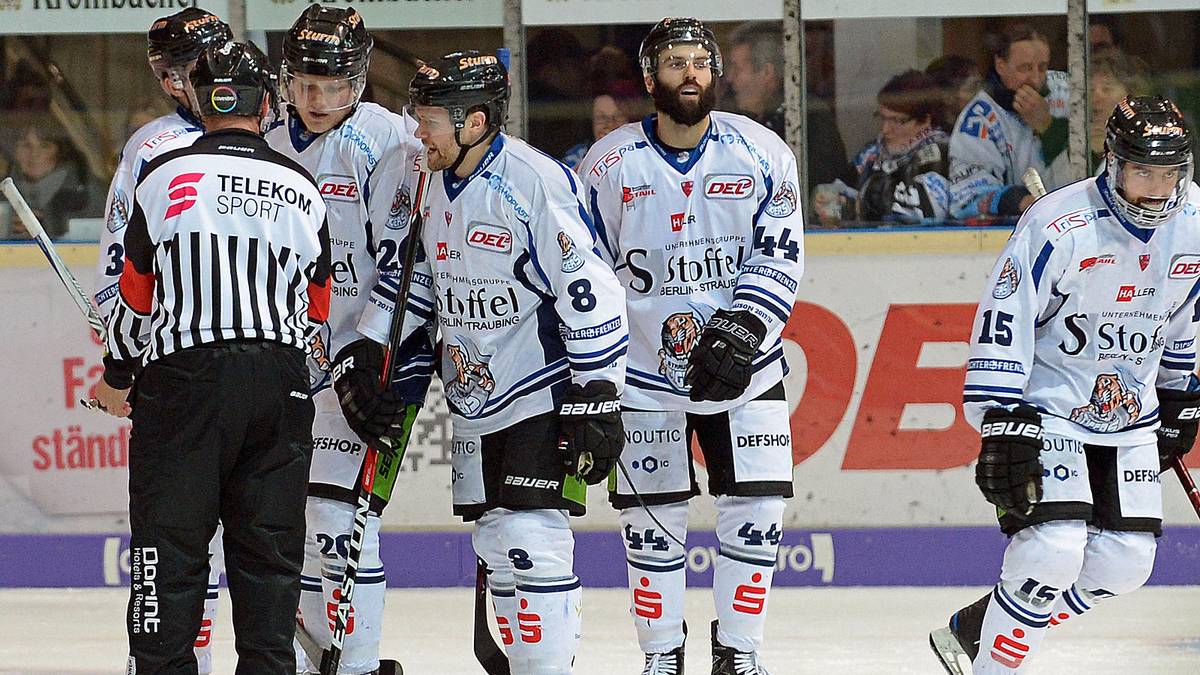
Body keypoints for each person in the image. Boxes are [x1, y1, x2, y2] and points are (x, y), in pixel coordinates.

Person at [929, 96, 1198, 674]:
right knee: (1051, 550)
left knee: (1126, 562)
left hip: (1130, 415)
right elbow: (1006, 315)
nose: (1157, 188)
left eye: (1169, 173)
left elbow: (1184, 316)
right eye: (1143, 171)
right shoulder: (1059, 222)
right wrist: (1000, 416)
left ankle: (984, 625)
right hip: (1047, 408)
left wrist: (1181, 393)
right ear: (1113, 162)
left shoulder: (1194, 223)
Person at [384, 50, 628, 674]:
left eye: (431, 118)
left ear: (474, 122)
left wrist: (598, 391)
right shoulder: (431, 180)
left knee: (532, 544)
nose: (419, 131)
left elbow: (590, 288)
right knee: (496, 541)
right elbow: (423, 283)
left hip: (540, 390)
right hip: (470, 398)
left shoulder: (533, 182)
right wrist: (388, 364)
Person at [94, 40, 331, 675]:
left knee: (166, 559)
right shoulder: (303, 187)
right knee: (270, 562)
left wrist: (118, 377)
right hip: (280, 386)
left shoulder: (163, 177)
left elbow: (134, 297)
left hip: (185, 384)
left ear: (200, 100)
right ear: (268, 103)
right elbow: (316, 309)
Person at [580, 17, 804, 675]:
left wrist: (745, 325)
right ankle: (661, 654)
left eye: (699, 62)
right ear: (650, 78)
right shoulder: (610, 162)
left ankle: (739, 649)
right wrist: (594, 372)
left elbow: (781, 252)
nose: (689, 74)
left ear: (715, 74)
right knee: (653, 518)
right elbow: (586, 271)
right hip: (644, 373)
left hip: (748, 366)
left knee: (759, 505)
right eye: (674, 63)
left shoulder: (763, 152)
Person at [264, 6, 425, 674]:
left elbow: (403, 262)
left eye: (334, 86)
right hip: (281, 357)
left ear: (360, 80)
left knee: (340, 525)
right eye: (305, 83)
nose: (319, 99)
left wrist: (367, 356)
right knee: (290, 527)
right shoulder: (264, 131)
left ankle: (354, 663)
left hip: (362, 361)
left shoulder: (391, 140)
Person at [90, 10, 234, 671]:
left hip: (254, 362)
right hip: (181, 361)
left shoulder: (267, 130)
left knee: (264, 530)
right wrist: (116, 319)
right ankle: (179, 657)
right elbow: (121, 252)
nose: (181, 81)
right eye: (171, 71)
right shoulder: (151, 146)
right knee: (182, 530)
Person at [948, 23, 1069, 222]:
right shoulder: (978, 119)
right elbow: (967, 196)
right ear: (1000, 66)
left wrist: (1049, 127)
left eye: (1042, 67)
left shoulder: (1070, 91)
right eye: (1025, 68)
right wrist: (1017, 200)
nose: (1036, 78)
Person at [724, 21, 850, 189]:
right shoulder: (731, 117)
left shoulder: (810, 118)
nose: (729, 77)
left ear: (767, 73)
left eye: (737, 68)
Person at [817, 69, 950, 225]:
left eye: (896, 121)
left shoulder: (941, 151)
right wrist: (828, 198)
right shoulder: (873, 152)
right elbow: (841, 185)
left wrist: (858, 207)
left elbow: (925, 213)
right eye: (882, 118)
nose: (885, 129)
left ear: (925, 120)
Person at [9, 122, 102, 239]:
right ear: (15, 151)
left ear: (59, 151)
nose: (34, 154)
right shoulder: (3, 192)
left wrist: (46, 226)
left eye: (44, 146)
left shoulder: (87, 190)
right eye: (25, 145)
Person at [1088, 48, 1149, 172]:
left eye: (1106, 89)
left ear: (1131, 94)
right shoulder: (1074, 138)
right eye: (1090, 90)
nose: (1095, 98)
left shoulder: (1149, 138)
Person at [561, 89, 643, 169]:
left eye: (618, 116)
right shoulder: (576, 156)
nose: (610, 124)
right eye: (601, 118)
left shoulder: (643, 154)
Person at [925, 54, 983, 133]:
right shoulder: (935, 141)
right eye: (973, 88)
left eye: (981, 86)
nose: (982, 95)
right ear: (947, 97)